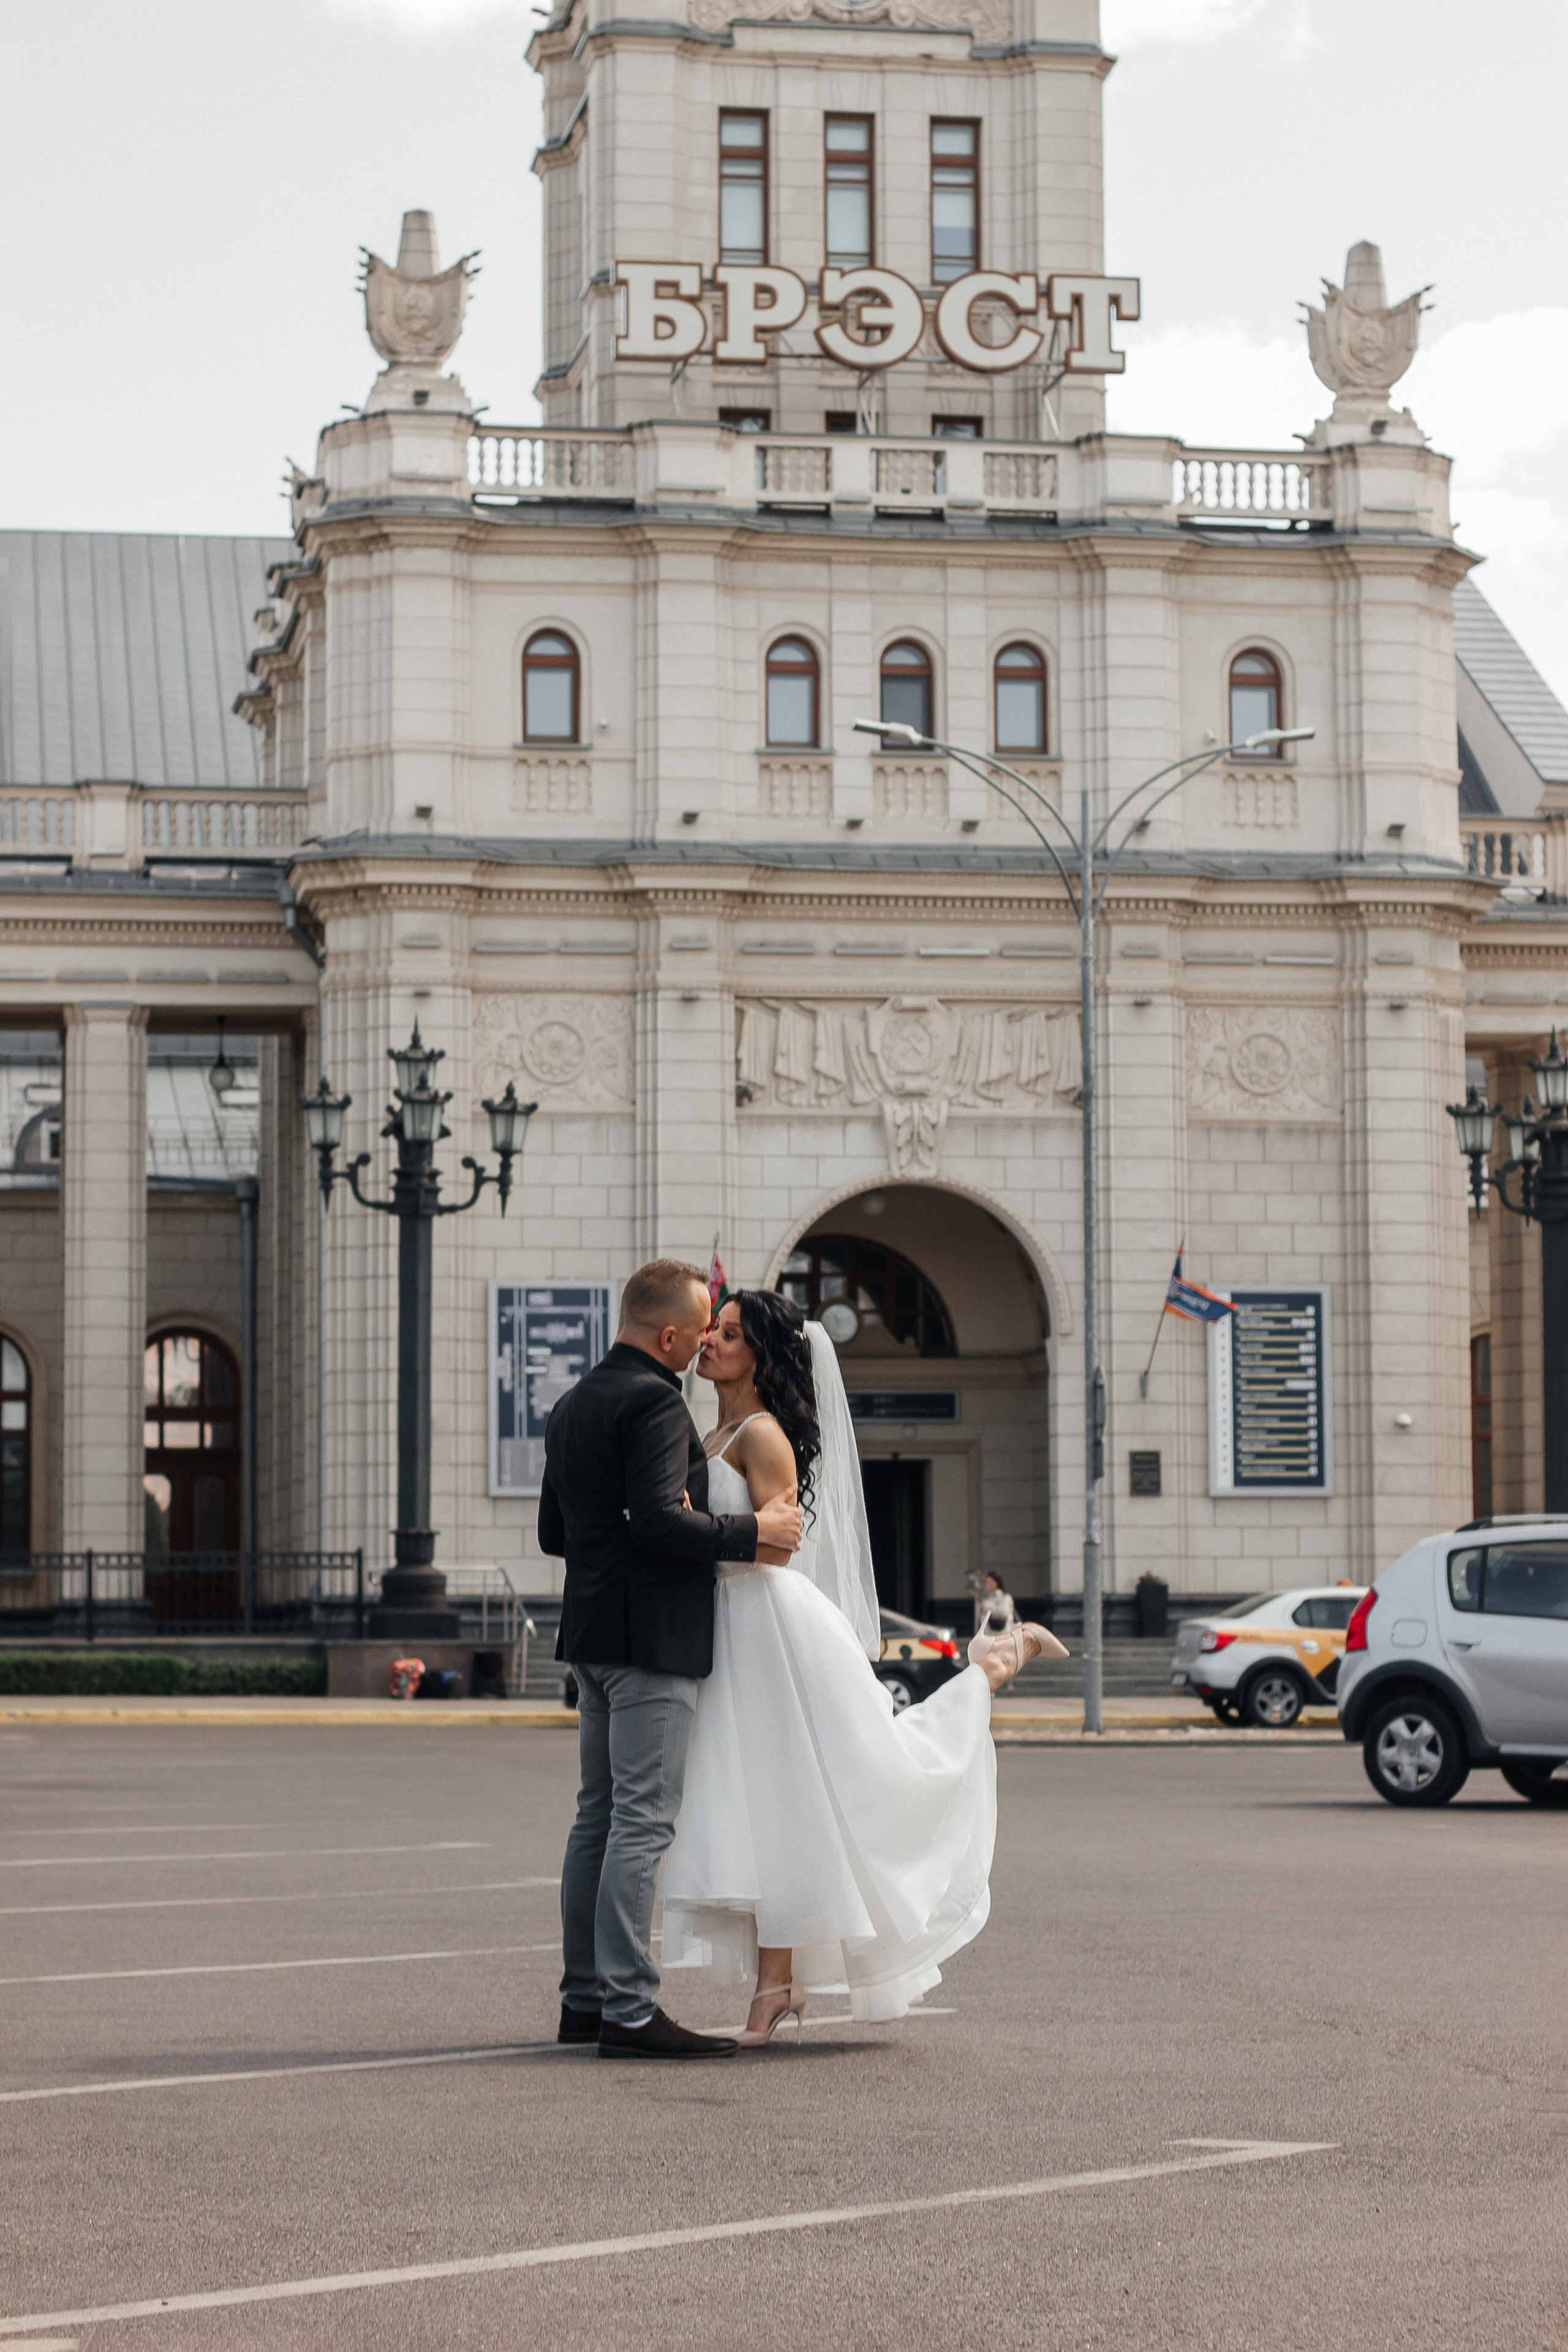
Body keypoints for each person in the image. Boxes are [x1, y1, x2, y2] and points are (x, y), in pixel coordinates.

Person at [660, 1291, 1067, 2047]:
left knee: (832, 1781)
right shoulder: (714, 1430)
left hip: (768, 1625)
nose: (709, 1340)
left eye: (728, 1333)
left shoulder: (762, 1435)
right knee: (763, 1803)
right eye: (712, 1328)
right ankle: (774, 1983)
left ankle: (993, 1665)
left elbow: (779, 1545)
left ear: (761, 1356)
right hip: (730, 1624)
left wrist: (690, 1529)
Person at [538, 1258, 805, 2060]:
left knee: (598, 1818)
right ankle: (627, 2008)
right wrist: (752, 1535)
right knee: (640, 1823)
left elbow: (558, 1534)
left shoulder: (575, 1402)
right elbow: (659, 1522)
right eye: (697, 1333)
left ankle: (585, 1999)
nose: (700, 1348)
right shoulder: (656, 1403)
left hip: (589, 1637)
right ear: (667, 1334)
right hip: (651, 1638)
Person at [977, 1572, 1018, 1640]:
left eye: (990, 1583)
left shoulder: (1006, 1598)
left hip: (1003, 1634)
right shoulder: (989, 1598)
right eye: (987, 1583)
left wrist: (986, 1606)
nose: (987, 1586)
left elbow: (1003, 1612)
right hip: (990, 1635)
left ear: (996, 1583)